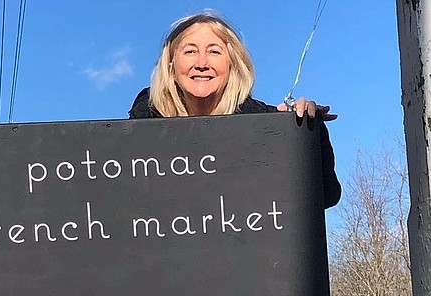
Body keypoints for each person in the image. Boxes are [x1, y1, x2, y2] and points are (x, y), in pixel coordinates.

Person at [129, 11, 341, 208]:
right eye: (190, 51)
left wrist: (306, 132)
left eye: (214, 51)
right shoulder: (138, 132)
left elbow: (324, 196)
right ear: (171, 66)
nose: (202, 63)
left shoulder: (265, 127)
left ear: (233, 64)